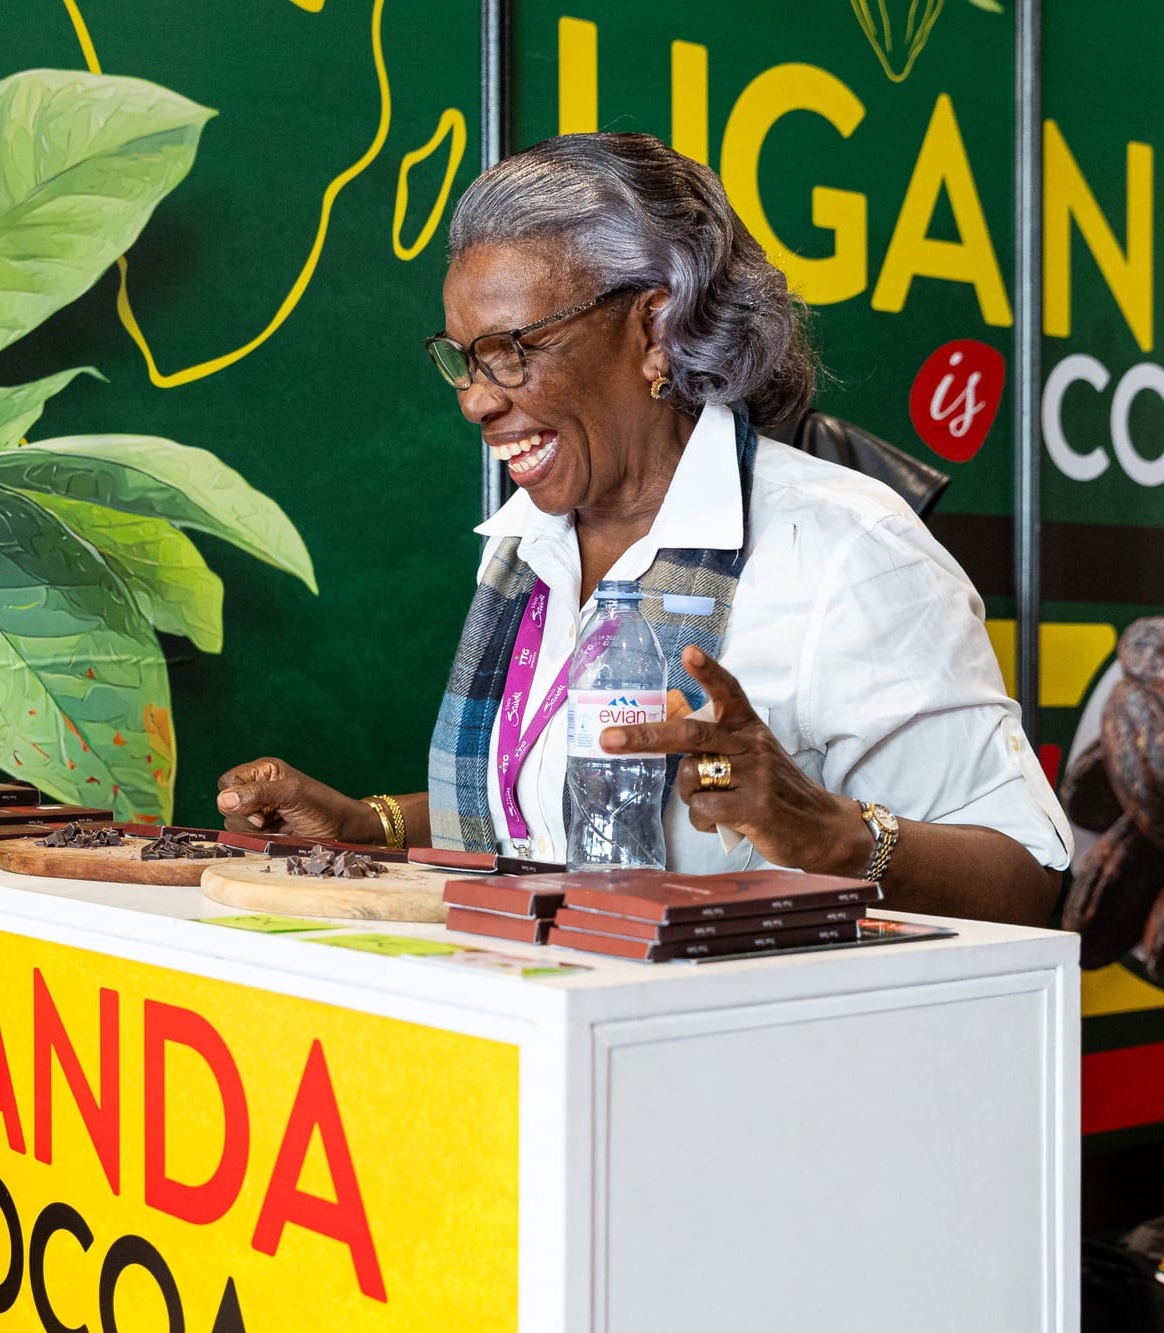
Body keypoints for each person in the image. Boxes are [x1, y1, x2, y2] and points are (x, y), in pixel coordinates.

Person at [215, 132, 1071, 927]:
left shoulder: (847, 550)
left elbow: (1032, 878)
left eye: (511, 348)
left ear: (656, 329)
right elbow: (565, 812)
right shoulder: (530, 548)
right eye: (464, 359)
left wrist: (832, 835)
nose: (476, 398)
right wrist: (373, 822)